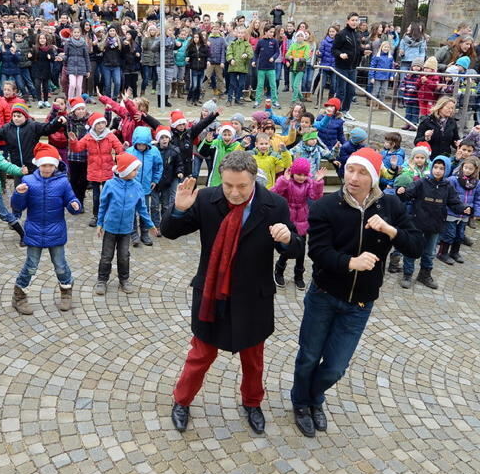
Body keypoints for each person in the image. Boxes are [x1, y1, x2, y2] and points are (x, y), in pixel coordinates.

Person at [162, 151, 302, 435]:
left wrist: (288, 240)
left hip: (253, 298)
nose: (234, 193)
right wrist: (177, 209)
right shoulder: (206, 199)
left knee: (253, 360)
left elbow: (296, 248)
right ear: (220, 180)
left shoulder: (274, 205)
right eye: (228, 186)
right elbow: (170, 232)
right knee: (200, 356)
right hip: (213, 293)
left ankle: (252, 403)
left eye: (242, 186)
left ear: (254, 181)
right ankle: (182, 400)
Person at [291, 148, 423, 437]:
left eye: (362, 172)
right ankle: (302, 402)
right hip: (323, 295)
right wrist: (351, 262)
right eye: (350, 169)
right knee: (310, 356)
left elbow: (416, 245)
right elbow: (318, 252)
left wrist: (390, 230)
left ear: (374, 177)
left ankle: (313, 396)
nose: (353, 177)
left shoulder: (390, 207)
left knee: (336, 367)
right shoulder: (326, 206)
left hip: (360, 304)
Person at [10, 143, 82, 314]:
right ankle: (19, 295)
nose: (47, 168)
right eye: (44, 165)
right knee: (31, 266)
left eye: (50, 165)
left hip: (56, 231)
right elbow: (17, 207)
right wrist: (18, 194)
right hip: (34, 231)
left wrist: (75, 205)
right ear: (38, 164)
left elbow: (71, 200)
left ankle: (66, 292)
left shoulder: (63, 182)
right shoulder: (28, 181)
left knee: (60, 265)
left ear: (55, 165)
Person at [396, 155, 469, 290]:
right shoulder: (422, 182)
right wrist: (401, 192)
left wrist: (464, 209)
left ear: (446, 170)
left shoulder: (448, 186)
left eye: (442, 168)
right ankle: (407, 274)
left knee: (429, 253)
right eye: (435, 167)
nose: (438, 170)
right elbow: (408, 194)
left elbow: (454, 203)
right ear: (432, 167)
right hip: (417, 223)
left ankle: (424, 275)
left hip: (435, 225)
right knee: (412, 249)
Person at [94, 152, 156, 296]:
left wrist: (150, 224)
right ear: (125, 170)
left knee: (124, 256)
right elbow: (103, 206)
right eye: (134, 169)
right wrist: (100, 223)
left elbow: (142, 209)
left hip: (126, 229)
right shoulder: (110, 185)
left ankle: (124, 280)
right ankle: (102, 280)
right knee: (106, 255)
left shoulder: (137, 187)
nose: (137, 172)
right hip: (110, 228)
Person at [271, 158, 325, 289]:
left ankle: (299, 275)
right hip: (288, 218)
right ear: (293, 172)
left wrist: (318, 183)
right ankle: (279, 270)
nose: (301, 177)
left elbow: (315, 197)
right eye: (299, 174)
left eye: (304, 175)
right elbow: (275, 193)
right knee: (287, 247)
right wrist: (283, 181)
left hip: (302, 218)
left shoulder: (308, 184)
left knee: (301, 249)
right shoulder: (287, 182)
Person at [438, 156, 480, 264]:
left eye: (470, 169)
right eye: (466, 168)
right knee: (449, 234)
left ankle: (455, 252)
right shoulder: (453, 180)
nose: (467, 170)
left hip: (465, 214)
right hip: (452, 212)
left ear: (475, 170)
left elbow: (477, 199)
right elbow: (447, 195)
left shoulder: (476, 183)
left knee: (460, 234)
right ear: (462, 167)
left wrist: (475, 212)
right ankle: (442, 253)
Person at [332, 13, 364, 121]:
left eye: (356, 20)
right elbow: (334, 49)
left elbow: (357, 50)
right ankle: (336, 112)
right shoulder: (341, 34)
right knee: (341, 91)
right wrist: (340, 54)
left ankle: (346, 111)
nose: (355, 22)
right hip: (342, 66)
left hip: (353, 67)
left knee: (351, 91)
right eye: (353, 20)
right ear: (348, 21)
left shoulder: (357, 35)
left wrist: (364, 52)